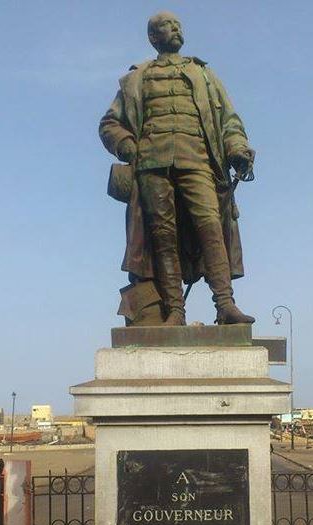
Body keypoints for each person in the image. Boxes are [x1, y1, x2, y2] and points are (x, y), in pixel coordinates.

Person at [99, 12, 256, 326]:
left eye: (178, 25)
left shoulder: (203, 74)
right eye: (167, 26)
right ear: (153, 37)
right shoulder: (136, 78)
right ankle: (175, 312)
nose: (175, 29)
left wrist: (237, 148)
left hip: (198, 161)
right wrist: (128, 145)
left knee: (211, 227)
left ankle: (225, 305)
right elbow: (109, 124)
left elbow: (229, 121)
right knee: (163, 238)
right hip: (151, 166)